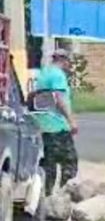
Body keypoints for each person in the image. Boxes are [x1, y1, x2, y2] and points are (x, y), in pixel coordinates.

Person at [33, 49, 80, 194]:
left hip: (43, 124)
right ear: (64, 60)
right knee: (70, 162)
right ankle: (63, 194)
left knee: (48, 163)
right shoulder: (58, 75)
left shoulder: (44, 73)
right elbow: (60, 99)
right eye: (68, 62)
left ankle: (45, 193)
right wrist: (71, 120)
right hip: (57, 125)